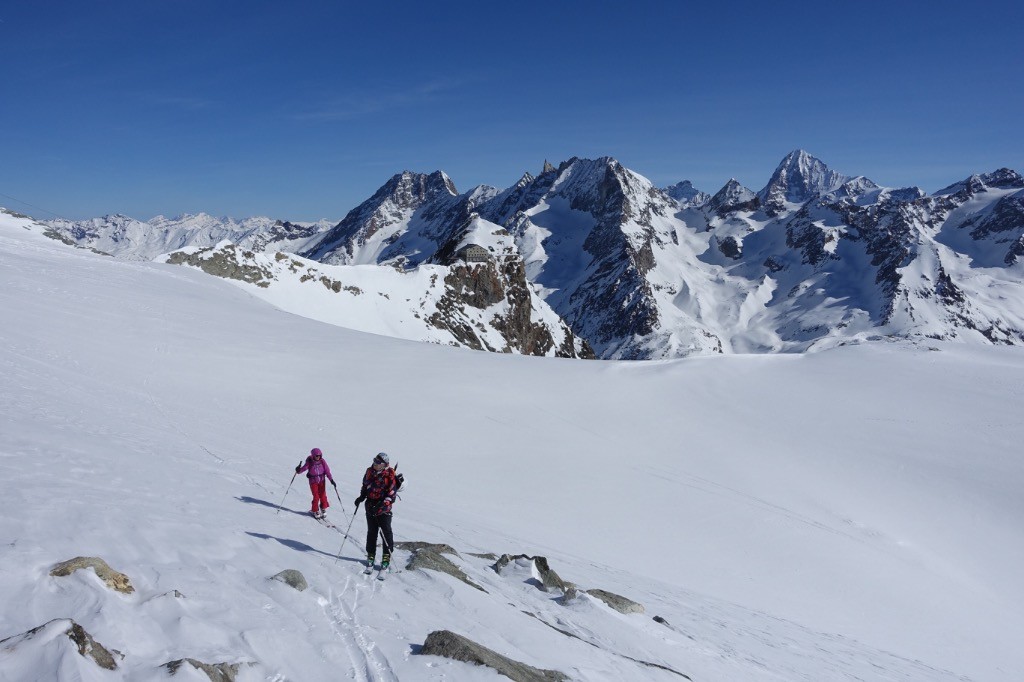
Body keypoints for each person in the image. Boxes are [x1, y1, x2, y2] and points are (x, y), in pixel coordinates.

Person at [353, 452, 398, 572]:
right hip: (370, 506)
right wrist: (361, 497)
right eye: (374, 461)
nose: (375, 464)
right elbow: (365, 485)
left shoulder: (390, 474)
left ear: (384, 464)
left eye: (378, 462)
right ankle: (371, 555)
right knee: (372, 532)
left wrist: (382, 505)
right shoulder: (369, 471)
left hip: (383, 509)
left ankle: (386, 557)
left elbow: (391, 494)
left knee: (386, 533)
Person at [296, 448, 335, 519]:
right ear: (313, 456)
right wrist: (298, 470)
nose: (318, 457)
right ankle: (315, 510)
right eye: (316, 456)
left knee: (323, 495)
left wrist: (331, 480)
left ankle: (323, 507)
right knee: (316, 496)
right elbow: (304, 468)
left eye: (319, 455)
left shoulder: (322, 461)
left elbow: (327, 471)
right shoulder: (310, 462)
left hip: (322, 480)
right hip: (313, 481)